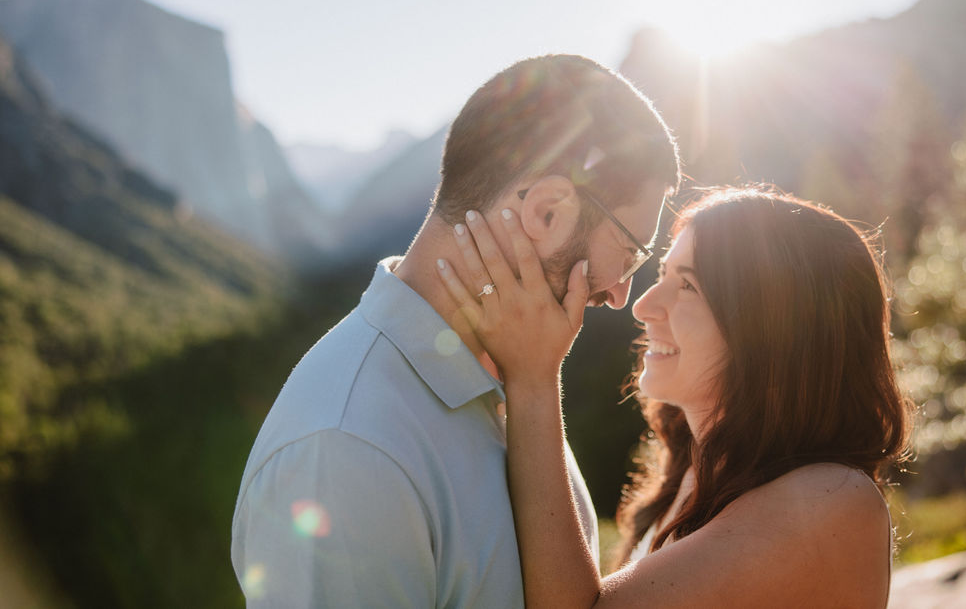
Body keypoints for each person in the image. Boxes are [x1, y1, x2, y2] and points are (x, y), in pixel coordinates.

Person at [230, 54, 681, 606]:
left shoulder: (516, 376)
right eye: (632, 253)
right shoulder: (349, 449)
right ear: (546, 213)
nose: (620, 295)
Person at [436, 185, 912, 608]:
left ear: (775, 330)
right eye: (662, 274)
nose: (643, 306)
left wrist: (533, 379)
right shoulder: (691, 469)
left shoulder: (830, 500)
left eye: (687, 285)